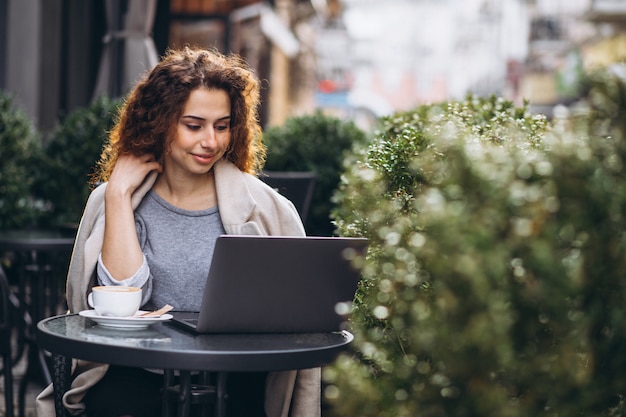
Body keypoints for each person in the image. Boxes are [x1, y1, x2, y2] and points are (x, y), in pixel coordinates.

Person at [36, 46, 320, 417]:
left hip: (233, 381)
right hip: (136, 378)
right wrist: (119, 195)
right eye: (193, 125)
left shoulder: (268, 209)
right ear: (160, 121)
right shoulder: (114, 200)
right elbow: (122, 299)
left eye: (222, 126)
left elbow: (297, 315)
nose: (211, 142)